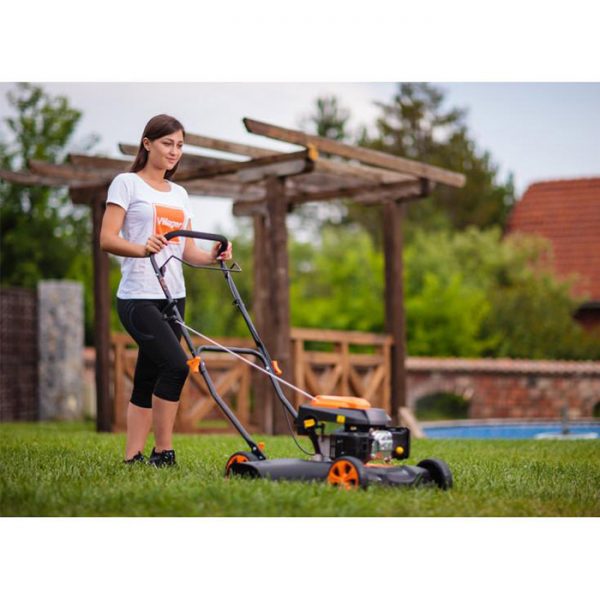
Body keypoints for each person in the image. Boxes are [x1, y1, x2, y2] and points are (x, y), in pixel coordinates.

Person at [100, 114, 232, 467]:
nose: (174, 151)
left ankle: (133, 457)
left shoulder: (180, 194)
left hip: (173, 297)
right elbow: (107, 239)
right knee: (176, 366)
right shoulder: (126, 184)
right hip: (138, 296)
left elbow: (187, 252)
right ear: (147, 144)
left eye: (179, 145)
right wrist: (142, 247)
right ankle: (164, 452)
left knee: (148, 375)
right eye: (167, 143)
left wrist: (214, 255)